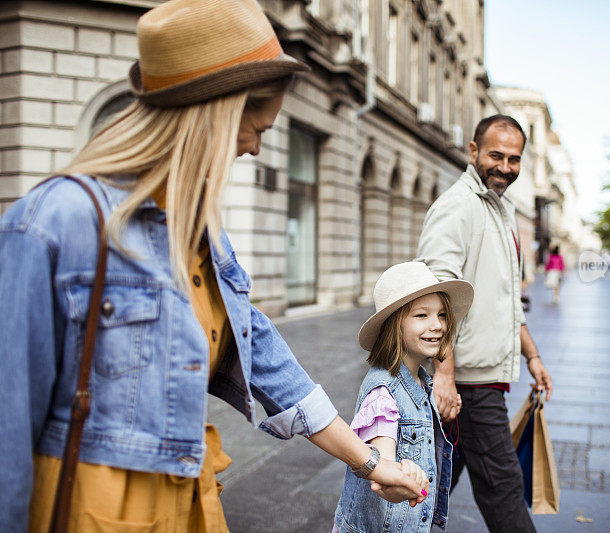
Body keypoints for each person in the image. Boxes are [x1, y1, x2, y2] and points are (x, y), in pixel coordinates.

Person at [0, 1, 426, 531]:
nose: (253, 148)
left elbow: (274, 367)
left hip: (190, 508)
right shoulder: (54, 222)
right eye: (256, 128)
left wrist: (372, 464)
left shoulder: (203, 233)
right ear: (214, 112)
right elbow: (7, 429)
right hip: (90, 512)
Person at [416, 115, 554, 533]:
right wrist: (445, 375)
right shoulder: (458, 207)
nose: (505, 167)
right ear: (473, 151)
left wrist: (532, 355)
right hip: (469, 386)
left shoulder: (500, 209)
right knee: (504, 489)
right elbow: (435, 297)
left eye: (514, 159)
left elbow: (505, 298)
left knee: (432, 484)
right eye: (496, 155)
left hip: (483, 378)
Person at [333, 262, 474, 532]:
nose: (437, 325)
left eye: (442, 315)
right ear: (394, 325)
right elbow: (381, 464)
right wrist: (398, 474)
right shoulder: (383, 394)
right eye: (422, 315)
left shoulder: (421, 380)